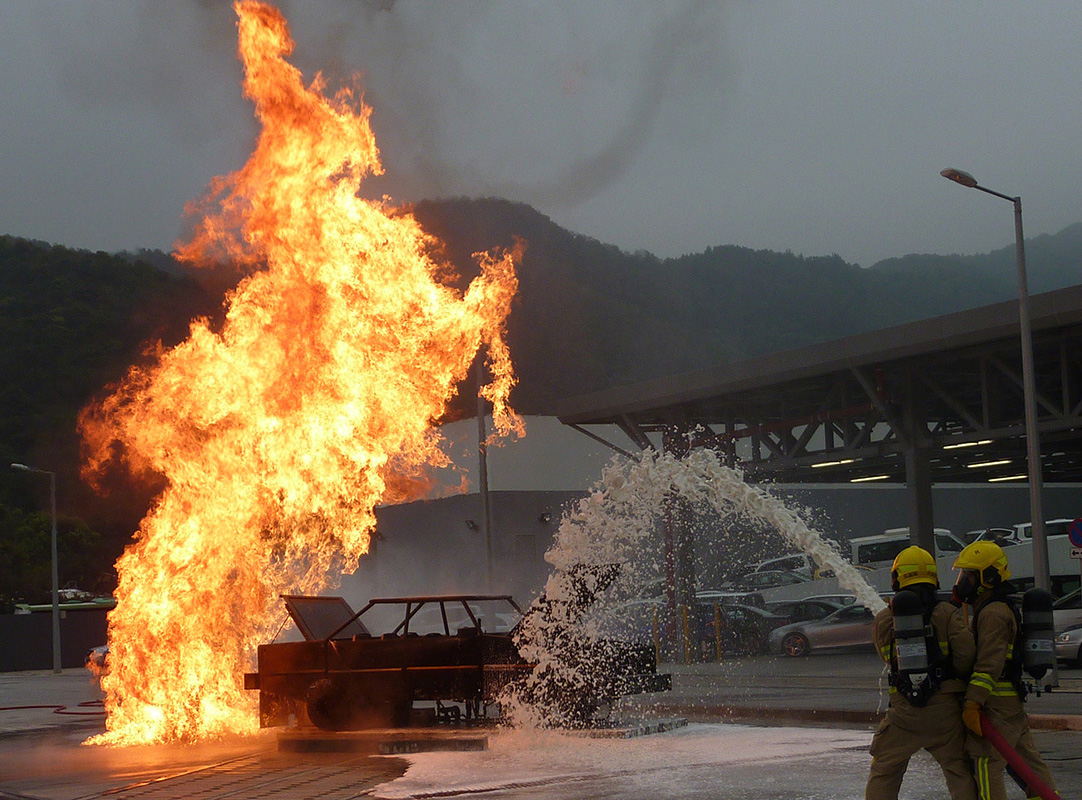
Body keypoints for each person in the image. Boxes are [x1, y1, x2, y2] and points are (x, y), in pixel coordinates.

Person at [866, 545, 977, 800]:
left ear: (897, 579)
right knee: (958, 771)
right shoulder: (947, 613)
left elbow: (887, 656)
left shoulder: (885, 618)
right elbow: (966, 655)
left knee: (885, 771)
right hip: (945, 710)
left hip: (904, 711)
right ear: (933, 578)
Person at [952, 540, 1059, 800]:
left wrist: (973, 703)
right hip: (1007, 702)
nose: (962, 582)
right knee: (1029, 767)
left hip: (997, 704)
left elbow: (990, 664)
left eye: (968, 576)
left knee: (987, 764)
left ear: (988, 577)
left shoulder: (994, 614)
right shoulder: (989, 608)